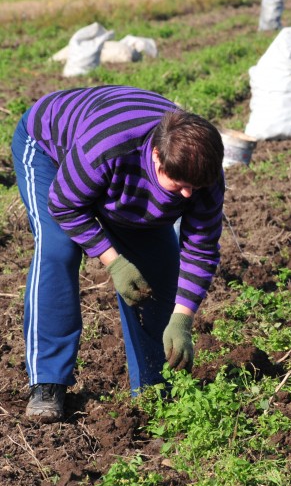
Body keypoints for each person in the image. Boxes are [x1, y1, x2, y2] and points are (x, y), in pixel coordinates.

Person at [11, 86, 226, 422]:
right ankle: (48, 382)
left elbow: (201, 248)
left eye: (194, 187)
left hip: (115, 172)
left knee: (156, 271)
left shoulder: (202, 173)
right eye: (180, 183)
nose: (188, 194)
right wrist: (113, 261)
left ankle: (158, 388)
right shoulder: (108, 146)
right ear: (157, 157)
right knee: (60, 251)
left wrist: (182, 318)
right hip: (50, 149)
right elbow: (65, 205)